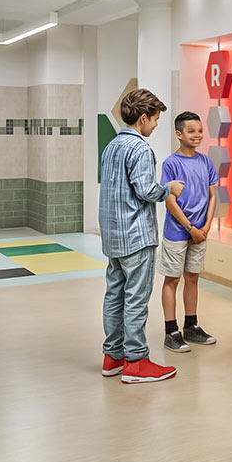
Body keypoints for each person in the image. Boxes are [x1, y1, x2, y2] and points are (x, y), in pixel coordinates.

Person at [98, 89, 177, 385]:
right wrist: (169, 189)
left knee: (114, 295)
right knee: (136, 299)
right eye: (154, 120)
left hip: (113, 237)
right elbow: (146, 190)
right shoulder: (140, 149)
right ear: (143, 118)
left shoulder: (111, 146)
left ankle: (113, 357)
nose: (155, 126)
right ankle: (136, 362)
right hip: (136, 237)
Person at [158, 111, 220, 353]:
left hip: (200, 232)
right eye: (191, 131)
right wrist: (190, 228)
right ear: (179, 134)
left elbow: (213, 196)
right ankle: (171, 332)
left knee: (192, 277)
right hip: (178, 231)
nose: (197, 135)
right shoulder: (171, 163)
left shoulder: (206, 162)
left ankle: (191, 326)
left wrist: (205, 228)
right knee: (172, 280)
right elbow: (169, 201)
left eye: (200, 130)